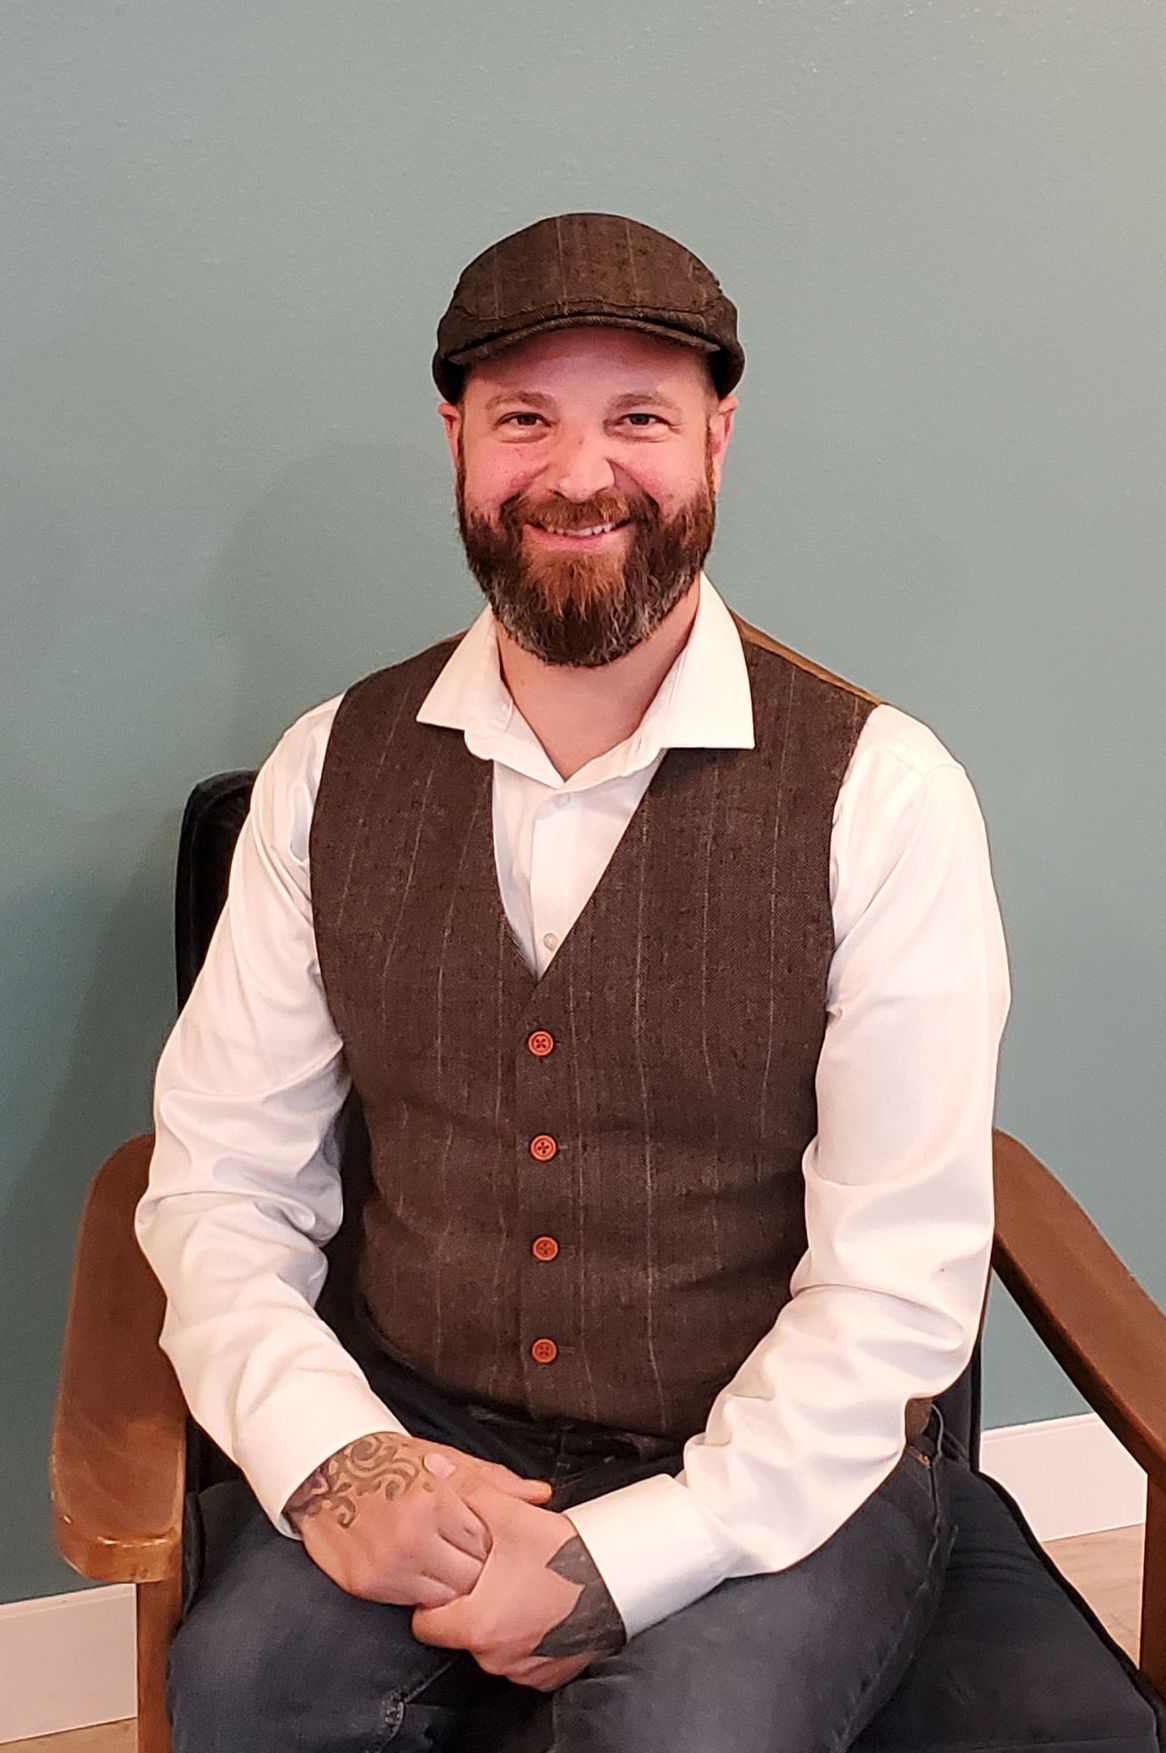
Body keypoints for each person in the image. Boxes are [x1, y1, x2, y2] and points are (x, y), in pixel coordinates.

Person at [136, 211, 1011, 1753]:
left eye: (639, 420)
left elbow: (895, 1277)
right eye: (523, 417)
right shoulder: (324, 769)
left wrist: (635, 1553)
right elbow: (220, 1186)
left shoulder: (887, 793)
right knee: (247, 1690)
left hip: (775, 1460)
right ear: (456, 440)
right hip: (427, 1426)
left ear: (718, 442)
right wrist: (339, 1457)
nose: (577, 472)